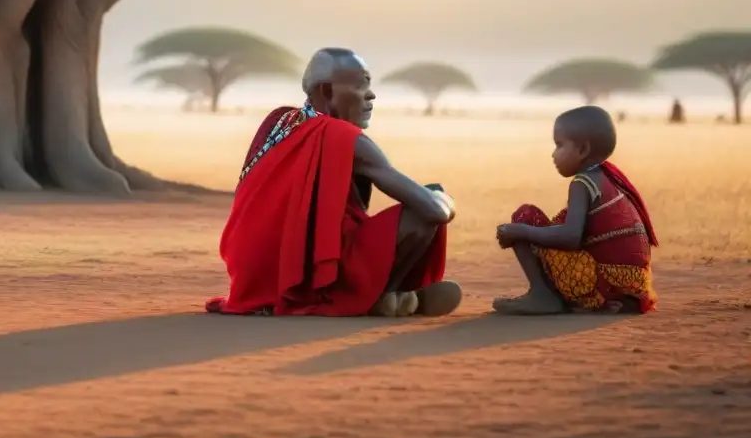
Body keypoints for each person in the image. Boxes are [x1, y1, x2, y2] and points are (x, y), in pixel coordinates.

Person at [205, 48, 462, 318]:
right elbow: (436, 212)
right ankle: (379, 295)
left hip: (255, 278)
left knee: (415, 202)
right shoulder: (347, 139)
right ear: (327, 91)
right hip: (312, 277)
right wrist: (446, 198)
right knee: (429, 200)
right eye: (361, 84)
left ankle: (390, 296)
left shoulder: (279, 123)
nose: (371, 95)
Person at [493, 105, 658, 315]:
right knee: (547, 225)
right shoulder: (606, 178)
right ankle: (597, 298)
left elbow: (570, 237)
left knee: (525, 217)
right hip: (631, 285)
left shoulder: (582, 182)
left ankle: (542, 295)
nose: (553, 154)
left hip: (603, 280)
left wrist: (520, 232)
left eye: (559, 145)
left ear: (583, 150)